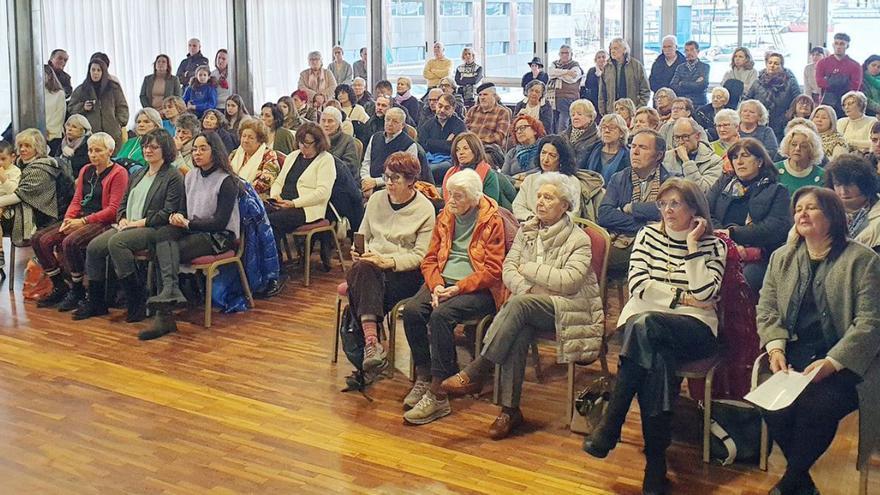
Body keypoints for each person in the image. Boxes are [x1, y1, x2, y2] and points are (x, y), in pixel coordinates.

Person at [584, 179, 727, 495]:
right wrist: (684, 297)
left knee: (643, 326)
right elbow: (637, 284)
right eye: (663, 204)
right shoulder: (648, 236)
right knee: (656, 360)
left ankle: (611, 424)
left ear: (694, 209)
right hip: (650, 324)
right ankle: (655, 465)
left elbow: (705, 293)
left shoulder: (713, 245)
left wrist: (692, 246)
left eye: (675, 203)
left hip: (694, 329)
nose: (667, 210)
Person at [444, 171, 602, 438]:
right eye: (538, 196)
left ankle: (480, 367)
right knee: (519, 326)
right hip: (530, 305)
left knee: (518, 306)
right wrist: (530, 288)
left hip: (567, 308)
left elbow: (569, 282)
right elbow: (508, 269)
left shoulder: (579, 239)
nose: (540, 202)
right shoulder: (526, 231)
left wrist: (528, 268)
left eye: (548, 198)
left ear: (565, 205)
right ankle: (509, 410)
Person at [756, 186, 880, 495]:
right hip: (794, 356)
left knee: (815, 408)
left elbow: (870, 322)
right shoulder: (782, 257)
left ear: (833, 216)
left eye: (811, 208)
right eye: (798, 209)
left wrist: (832, 362)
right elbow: (767, 307)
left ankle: (790, 483)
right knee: (772, 407)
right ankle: (801, 483)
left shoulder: (863, 260)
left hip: (847, 362)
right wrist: (775, 347)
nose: (802, 213)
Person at [401, 168, 505, 425]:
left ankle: (439, 393)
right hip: (443, 281)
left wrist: (458, 288)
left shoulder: (492, 220)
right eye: (450, 195)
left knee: (441, 316)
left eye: (458, 197)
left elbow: (494, 270)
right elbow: (430, 259)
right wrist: (436, 286)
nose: (451, 201)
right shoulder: (446, 216)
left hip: (477, 288)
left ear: (474, 198)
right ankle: (424, 375)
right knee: (413, 311)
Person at [142, 132, 241, 340]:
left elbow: (220, 222)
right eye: (194, 149)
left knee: (167, 251)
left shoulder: (227, 180)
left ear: (215, 150)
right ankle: (170, 294)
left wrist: (188, 222)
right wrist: (178, 217)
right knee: (161, 236)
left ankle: (165, 312)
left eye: (203, 148)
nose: (197, 153)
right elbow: (184, 209)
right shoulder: (191, 176)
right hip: (193, 228)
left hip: (219, 236)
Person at [79, 129, 184, 322]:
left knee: (117, 243)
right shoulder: (139, 173)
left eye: (154, 147)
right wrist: (123, 219)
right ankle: (96, 302)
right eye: (145, 146)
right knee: (94, 247)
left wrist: (137, 223)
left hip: (153, 229)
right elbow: (123, 201)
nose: (147, 150)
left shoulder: (172, 175)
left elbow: (168, 212)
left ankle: (136, 297)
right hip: (128, 225)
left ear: (165, 149)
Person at [349, 152, 436, 371]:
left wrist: (387, 261)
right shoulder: (377, 199)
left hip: (404, 272)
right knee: (363, 269)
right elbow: (363, 235)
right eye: (386, 176)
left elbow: (420, 256)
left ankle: (369, 342)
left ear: (411, 181)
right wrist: (358, 250)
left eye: (395, 178)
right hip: (370, 267)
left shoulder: (425, 209)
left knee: (360, 283)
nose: (388, 182)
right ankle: (372, 343)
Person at [32, 132, 128, 311]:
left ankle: (77, 290)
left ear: (110, 151)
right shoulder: (86, 170)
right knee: (39, 239)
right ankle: (60, 286)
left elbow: (113, 210)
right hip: (80, 217)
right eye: (90, 150)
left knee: (71, 241)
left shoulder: (119, 173)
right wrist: (68, 219)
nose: (93, 154)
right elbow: (76, 200)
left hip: (102, 221)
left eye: (98, 150)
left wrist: (83, 221)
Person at [708, 138, 791, 291]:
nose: (739, 162)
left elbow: (774, 228)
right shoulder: (723, 183)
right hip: (717, 246)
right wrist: (727, 241)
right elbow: (706, 213)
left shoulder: (777, 191)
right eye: (735, 157)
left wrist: (733, 234)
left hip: (757, 256)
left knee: (742, 282)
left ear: (759, 161)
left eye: (745, 156)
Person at [598, 129, 669, 270]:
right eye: (633, 146)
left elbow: (665, 210)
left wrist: (631, 208)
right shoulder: (619, 178)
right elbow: (604, 214)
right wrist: (646, 225)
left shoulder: (670, 181)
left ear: (659, 155)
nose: (635, 152)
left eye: (643, 147)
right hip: (621, 241)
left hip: (657, 244)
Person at [267, 122, 337, 252]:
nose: (302, 146)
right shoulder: (293, 156)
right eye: (300, 142)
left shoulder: (326, 160)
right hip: (283, 203)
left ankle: (277, 267)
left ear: (318, 142)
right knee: (256, 215)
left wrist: (293, 203)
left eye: (307, 143)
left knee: (270, 222)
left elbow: (323, 193)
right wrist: (275, 196)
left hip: (307, 209)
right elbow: (278, 182)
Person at [0, 130, 65, 246]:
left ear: (37, 148)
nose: (22, 149)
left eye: (27, 146)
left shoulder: (41, 169)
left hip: (40, 216)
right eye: (20, 146)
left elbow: (18, 196)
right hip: (17, 209)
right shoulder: (20, 164)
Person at [512, 135, 582, 220]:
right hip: (530, 225)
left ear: (561, 159)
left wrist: (549, 222)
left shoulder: (571, 181)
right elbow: (517, 206)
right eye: (543, 153)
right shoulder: (530, 179)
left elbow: (574, 214)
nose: (545, 159)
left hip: (560, 229)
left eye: (552, 155)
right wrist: (533, 219)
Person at [69, 57, 129, 150]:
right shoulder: (81, 89)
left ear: (103, 72)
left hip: (113, 134)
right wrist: (83, 107)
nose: (95, 73)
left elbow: (122, 107)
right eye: (93, 70)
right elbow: (71, 109)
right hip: (90, 135)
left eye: (98, 70)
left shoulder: (113, 87)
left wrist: (118, 123)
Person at [824, 154, 880, 251]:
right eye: (837, 184)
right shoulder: (822, 209)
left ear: (864, 184)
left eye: (849, 184)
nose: (843, 191)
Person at [361, 107, 419, 196]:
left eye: (395, 121)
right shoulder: (375, 137)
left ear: (402, 125)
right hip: (368, 182)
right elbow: (366, 162)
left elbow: (405, 174)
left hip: (392, 186)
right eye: (387, 120)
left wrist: (376, 182)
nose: (390, 124)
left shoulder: (409, 145)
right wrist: (366, 179)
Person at [744, 52, 802, 140]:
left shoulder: (790, 81)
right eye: (770, 63)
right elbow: (747, 100)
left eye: (776, 63)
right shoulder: (758, 82)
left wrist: (789, 114)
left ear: (782, 66)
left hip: (783, 122)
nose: (772, 65)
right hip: (759, 123)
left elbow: (798, 100)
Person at [662, 117, 723, 193]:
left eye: (685, 137)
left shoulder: (714, 161)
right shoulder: (666, 158)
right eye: (677, 137)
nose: (681, 142)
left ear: (697, 136)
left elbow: (704, 192)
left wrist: (686, 161)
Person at [227, 116, 281, 197]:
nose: (245, 140)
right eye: (243, 136)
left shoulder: (269, 155)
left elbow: (265, 182)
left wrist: (239, 191)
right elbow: (225, 172)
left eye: (251, 138)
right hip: (232, 194)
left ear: (260, 140)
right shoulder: (235, 153)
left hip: (256, 198)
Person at [419, 93, 467, 184]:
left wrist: (431, 142)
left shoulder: (459, 125)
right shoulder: (427, 124)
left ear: (453, 109)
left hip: (450, 160)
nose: (442, 110)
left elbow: (453, 147)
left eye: (446, 108)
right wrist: (445, 143)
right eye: (440, 106)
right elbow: (422, 145)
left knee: (429, 170)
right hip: (429, 158)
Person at [442, 132, 502, 205]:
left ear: (475, 150)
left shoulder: (489, 174)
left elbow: (490, 205)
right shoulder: (450, 173)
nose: (461, 152)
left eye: (465, 148)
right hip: (451, 212)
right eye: (457, 150)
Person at [599, 38, 650, 115]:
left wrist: (639, 109)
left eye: (615, 48)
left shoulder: (636, 66)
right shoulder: (607, 68)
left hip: (632, 112)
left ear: (624, 49)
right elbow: (602, 93)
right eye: (611, 49)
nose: (612, 51)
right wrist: (603, 112)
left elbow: (645, 90)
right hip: (612, 112)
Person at [816, 33, 863, 115]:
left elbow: (855, 87)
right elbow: (819, 82)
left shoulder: (855, 65)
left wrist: (830, 81)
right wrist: (842, 81)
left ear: (847, 46)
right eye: (836, 43)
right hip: (827, 101)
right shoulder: (822, 63)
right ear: (833, 45)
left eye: (842, 44)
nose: (838, 46)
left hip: (847, 103)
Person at [776, 124, 826, 193]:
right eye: (793, 144)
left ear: (811, 150)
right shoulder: (774, 170)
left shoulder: (822, 175)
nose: (797, 149)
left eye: (803, 146)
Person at [584, 114, 630, 182]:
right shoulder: (591, 150)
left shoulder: (628, 156)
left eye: (611, 127)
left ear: (621, 133)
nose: (606, 131)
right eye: (604, 127)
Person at [548, 45, 584, 131]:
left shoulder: (575, 65)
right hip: (552, 98)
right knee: (552, 124)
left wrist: (557, 74)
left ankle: (562, 142)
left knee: (563, 124)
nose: (564, 55)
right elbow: (551, 72)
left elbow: (571, 79)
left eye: (567, 53)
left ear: (571, 54)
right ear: (559, 54)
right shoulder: (554, 63)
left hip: (568, 99)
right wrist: (567, 72)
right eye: (562, 53)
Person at [115, 108, 162, 173]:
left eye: (146, 122)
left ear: (156, 125)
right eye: (138, 122)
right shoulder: (129, 142)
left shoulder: (159, 144)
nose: (141, 125)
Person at [465, 83, 511, 148]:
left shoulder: (503, 112)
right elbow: (465, 129)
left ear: (494, 96)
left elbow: (500, 136)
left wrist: (478, 143)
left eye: (485, 94)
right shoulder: (472, 110)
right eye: (480, 95)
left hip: (490, 148)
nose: (482, 97)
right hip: (470, 146)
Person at [0, 141, 21, 282]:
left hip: (8, 209)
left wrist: (2, 177)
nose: (0, 162)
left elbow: (13, 191)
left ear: (12, 157)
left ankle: (0, 252)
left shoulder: (15, 171)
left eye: (3, 159)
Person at [320, 106, 360, 178]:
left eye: (330, 121)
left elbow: (350, 167)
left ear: (338, 123)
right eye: (323, 120)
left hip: (341, 181)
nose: (326, 124)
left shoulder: (347, 140)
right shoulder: (316, 139)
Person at [561, 99, 600, 170]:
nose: (575, 117)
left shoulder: (597, 138)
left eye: (579, 114)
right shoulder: (562, 136)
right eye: (573, 115)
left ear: (590, 117)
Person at [670, 41, 710, 106]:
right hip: (683, 103)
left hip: (699, 104)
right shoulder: (680, 67)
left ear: (698, 51)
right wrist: (694, 84)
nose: (689, 53)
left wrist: (682, 83)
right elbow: (673, 85)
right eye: (686, 50)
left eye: (692, 50)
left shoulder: (705, 67)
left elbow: (702, 86)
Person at [56, 114, 93, 178]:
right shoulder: (63, 143)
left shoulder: (88, 144)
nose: (69, 129)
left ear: (83, 131)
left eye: (74, 127)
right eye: (68, 125)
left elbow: (82, 165)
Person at [43, 67, 66, 155]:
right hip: (36, 136)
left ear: (49, 76)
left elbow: (60, 116)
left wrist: (47, 130)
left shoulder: (59, 93)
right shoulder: (33, 94)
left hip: (53, 136)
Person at [710, 108, 741, 172]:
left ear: (736, 127)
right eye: (718, 126)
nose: (721, 129)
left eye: (726, 125)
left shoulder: (746, 146)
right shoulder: (710, 148)